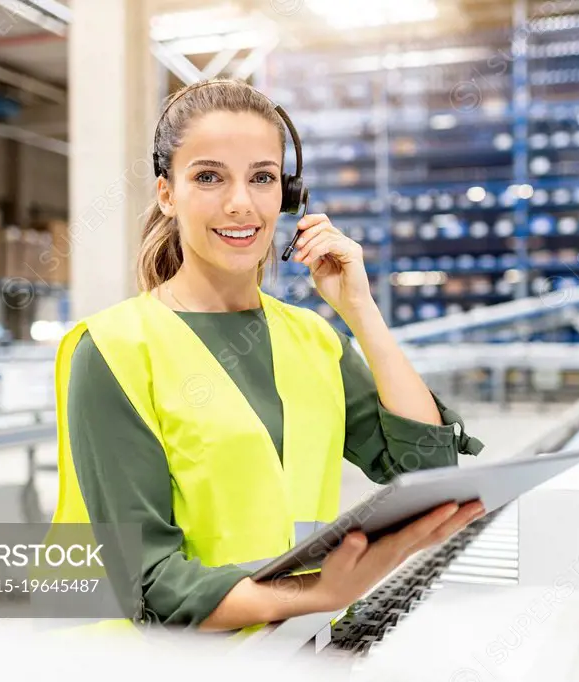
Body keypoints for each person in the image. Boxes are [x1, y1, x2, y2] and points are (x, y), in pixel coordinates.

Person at [50, 78, 485, 634]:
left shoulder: (314, 339)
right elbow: (145, 582)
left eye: (262, 178)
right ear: (167, 193)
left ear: (289, 194)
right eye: (208, 177)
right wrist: (317, 592)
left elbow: (427, 471)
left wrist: (361, 311)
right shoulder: (113, 350)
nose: (241, 203)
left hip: (292, 647)